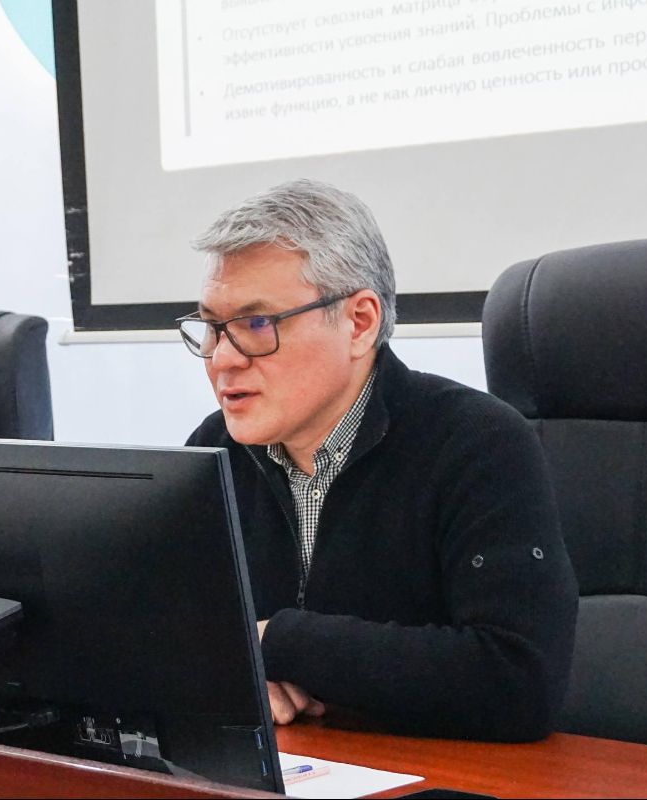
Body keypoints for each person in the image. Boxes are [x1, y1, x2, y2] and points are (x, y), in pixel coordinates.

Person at [181, 179, 578, 741]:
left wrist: (274, 642)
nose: (222, 359)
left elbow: (517, 680)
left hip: (444, 771)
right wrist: (232, 673)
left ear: (359, 323)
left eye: (257, 324)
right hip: (300, 765)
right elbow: (163, 629)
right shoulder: (216, 449)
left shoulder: (477, 443)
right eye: (212, 328)